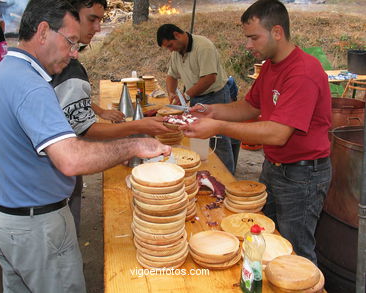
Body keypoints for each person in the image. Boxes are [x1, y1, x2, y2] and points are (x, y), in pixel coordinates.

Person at [0, 0, 170, 292]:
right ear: (43, 31)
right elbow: (71, 159)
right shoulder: (31, 86)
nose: (72, 53)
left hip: (4, 219)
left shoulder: (3, 73)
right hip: (36, 228)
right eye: (69, 41)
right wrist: (133, 145)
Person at [181, 0, 332, 264]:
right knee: (266, 239)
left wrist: (218, 127)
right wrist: (211, 112)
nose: (248, 45)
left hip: (303, 174)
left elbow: (277, 134)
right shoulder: (272, 66)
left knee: (296, 252)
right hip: (274, 167)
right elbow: (250, 106)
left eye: (253, 37)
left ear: (277, 32)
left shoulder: (303, 72)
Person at [52, 0, 173, 234]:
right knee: (65, 230)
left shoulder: (62, 63)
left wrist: (100, 111)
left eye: (100, 20)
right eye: (92, 19)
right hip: (51, 185)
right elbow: (85, 130)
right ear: (70, 15)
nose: (98, 28)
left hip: (52, 178)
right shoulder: (66, 67)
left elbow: (72, 100)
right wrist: (136, 132)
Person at [156, 23, 239, 175]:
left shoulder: (203, 46)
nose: (170, 49)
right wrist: (172, 93)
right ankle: (205, 174)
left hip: (216, 97)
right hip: (196, 99)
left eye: (170, 45)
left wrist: (186, 96)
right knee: (199, 138)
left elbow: (209, 78)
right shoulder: (177, 52)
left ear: (177, 35)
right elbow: (171, 75)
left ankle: (227, 179)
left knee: (219, 140)